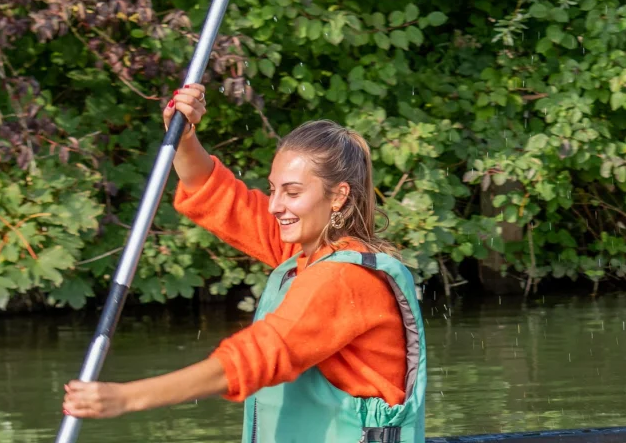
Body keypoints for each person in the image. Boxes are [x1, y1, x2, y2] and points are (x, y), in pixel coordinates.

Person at [61, 84, 428, 443]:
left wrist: (126, 398)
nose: (274, 205)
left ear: (338, 196)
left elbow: (256, 357)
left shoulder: (343, 278)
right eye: (273, 188)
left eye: (293, 192)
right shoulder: (305, 254)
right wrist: (184, 135)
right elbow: (218, 195)